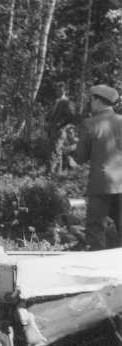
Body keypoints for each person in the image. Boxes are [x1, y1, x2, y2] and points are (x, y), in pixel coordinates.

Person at [74, 84, 122, 250]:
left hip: (101, 184)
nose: (90, 103)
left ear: (97, 100)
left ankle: (98, 264)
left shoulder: (90, 124)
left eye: (91, 99)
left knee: (95, 229)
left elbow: (80, 157)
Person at [46, 82, 76, 174]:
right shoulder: (57, 101)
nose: (58, 92)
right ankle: (54, 172)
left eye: (60, 90)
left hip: (59, 131)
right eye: (57, 90)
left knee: (56, 151)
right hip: (52, 130)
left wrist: (60, 125)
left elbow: (71, 116)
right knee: (53, 151)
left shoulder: (66, 102)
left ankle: (53, 173)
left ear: (65, 91)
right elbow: (52, 115)